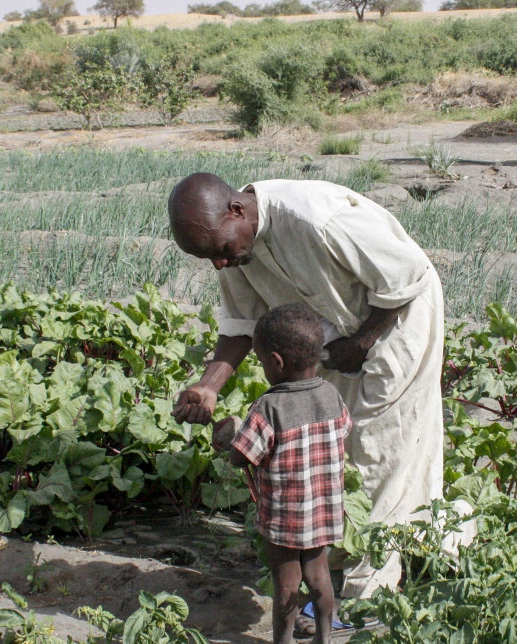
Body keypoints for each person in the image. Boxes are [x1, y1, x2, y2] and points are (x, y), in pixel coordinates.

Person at [167, 173, 446, 608]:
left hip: (395, 320)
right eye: (209, 258)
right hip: (332, 339)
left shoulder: (317, 220)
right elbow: (241, 322)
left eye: (219, 252)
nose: (219, 264)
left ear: (237, 210)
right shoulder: (234, 246)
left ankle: (368, 593)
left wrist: (362, 342)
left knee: (378, 447)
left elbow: (407, 276)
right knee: (336, 449)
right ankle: (352, 557)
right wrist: (208, 386)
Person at [211, 303, 351, 644]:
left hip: (284, 517)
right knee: (319, 578)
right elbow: (344, 429)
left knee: (286, 585)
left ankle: (283, 640)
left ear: (276, 362)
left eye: (261, 363)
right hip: (323, 511)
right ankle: (324, 638)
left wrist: (227, 437)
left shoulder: (269, 407)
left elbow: (241, 458)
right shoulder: (332, 395)